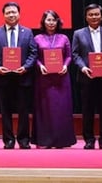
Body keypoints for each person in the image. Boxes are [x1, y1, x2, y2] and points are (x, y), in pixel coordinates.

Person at [0, 2, 38, 149]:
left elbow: (33, 53)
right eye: (8, 12)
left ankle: (23, 140)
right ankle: (8, 140)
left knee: (23, 111)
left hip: (22, 77)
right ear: (3, 15)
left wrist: (25, 67)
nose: (11, 15)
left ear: (19, 14)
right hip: (3, 77)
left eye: (14, 12)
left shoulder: (27, 32)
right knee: (5, 111)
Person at [71, 3, 102, 150]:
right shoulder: (78, 33)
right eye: (91, 14)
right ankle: (89, 139)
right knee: (87, 110)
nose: (94, 17)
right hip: (87, 77)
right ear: (86, 17)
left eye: (97, 14)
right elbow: (75, 54)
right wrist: (83, 67)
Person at [32, 9, 76, 149]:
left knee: (61, 109)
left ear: (58, 22)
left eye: (53, 20)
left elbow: (69, 56)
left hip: (61, 78)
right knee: (44, 109)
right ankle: (44, 140)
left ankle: (62, 141)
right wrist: (40, 66)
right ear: (43, 22)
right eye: (48, 20)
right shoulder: (37, 38)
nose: (51, 23)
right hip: (44, 78)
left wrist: (65, 65)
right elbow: (35, 57)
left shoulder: (64, 38)